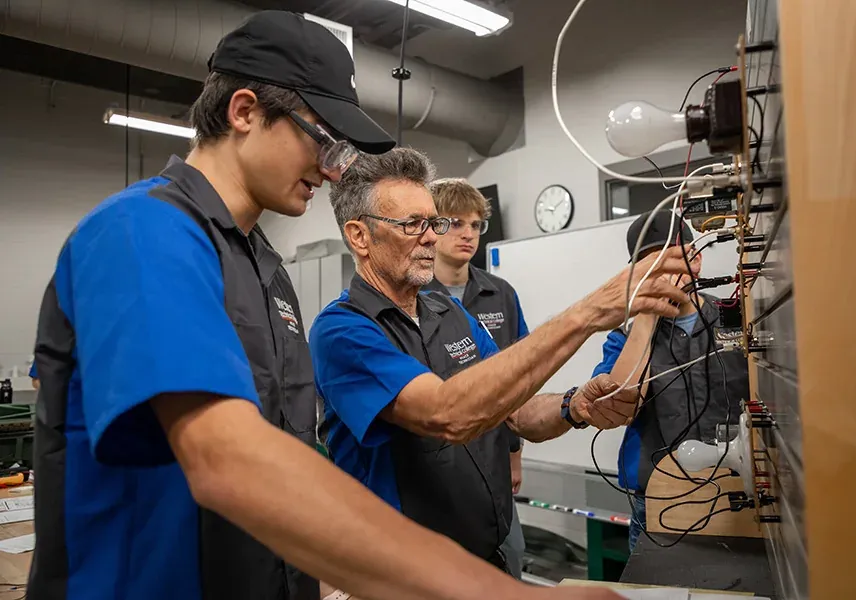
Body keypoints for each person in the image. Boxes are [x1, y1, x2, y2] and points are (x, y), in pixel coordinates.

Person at [26, 11, 624, 600]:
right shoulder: (145, 232)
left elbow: (288, 458)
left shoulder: (267, 273)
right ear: (244, 111)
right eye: (323, 139)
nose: (333, 169)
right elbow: (228, 460)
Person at [309, 148, 697, 575]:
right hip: (408, 573)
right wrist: (587, 314)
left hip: (485, 554)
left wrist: (575, 405)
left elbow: (518, 411)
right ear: (360, 237)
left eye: (432, 222)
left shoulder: (448, 311)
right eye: (411, 225)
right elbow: (447, 414)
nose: (431, 237)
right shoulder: (342, 332)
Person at [591, 210, 749, 551]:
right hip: (656, 500)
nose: (664, 274)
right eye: (651, 266)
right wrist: (647, 317)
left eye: (672, 260)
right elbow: (615, 408)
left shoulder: (739, 322)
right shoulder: (624, 339)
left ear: (696, 261)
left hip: (737, 496)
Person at [423, 177, 529, 578]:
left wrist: (514, 454)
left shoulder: (499, 293)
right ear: (431, 226)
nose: (468, 234)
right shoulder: (412, 292)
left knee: (509, 555)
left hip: (495, 453)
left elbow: (519, 377)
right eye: (455, 223)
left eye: (475, 225)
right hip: (439, 458)